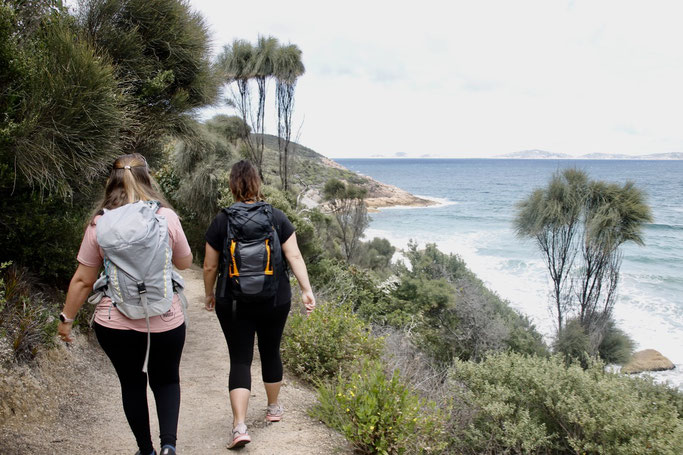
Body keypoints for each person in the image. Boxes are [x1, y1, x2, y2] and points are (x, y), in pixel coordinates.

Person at [57, 153, 192, 455]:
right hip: (166, 317)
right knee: (167, 380)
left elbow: (82, 280)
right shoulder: (166, 217)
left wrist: (66, 319)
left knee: (132, 383)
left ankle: (146, 451)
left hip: (115, 322)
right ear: (147, 178)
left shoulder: (99, 224)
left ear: (112, 182)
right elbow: (185, 263)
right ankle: (169, 446)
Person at [203, 160, 316, 449]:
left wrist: (209, 294)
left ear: (232, 186)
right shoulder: (276, 217)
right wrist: (306, 289)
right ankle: (274, 408)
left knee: (240, 358)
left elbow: (208, 266)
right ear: (258, 184)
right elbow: (295, 257)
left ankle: (239, 425)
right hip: (275, 297)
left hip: (233, 300)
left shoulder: (222, 220)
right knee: (270, 350)